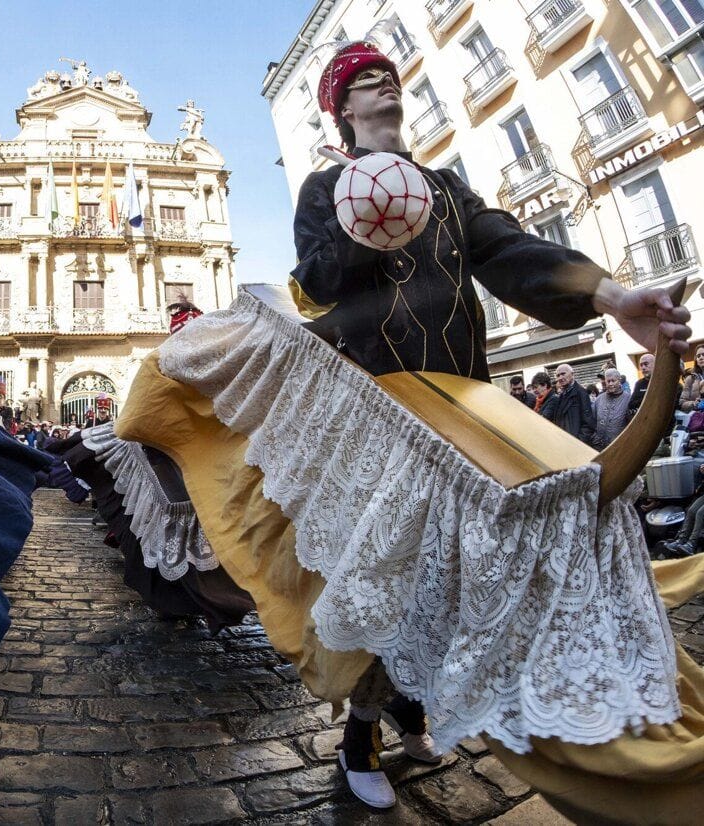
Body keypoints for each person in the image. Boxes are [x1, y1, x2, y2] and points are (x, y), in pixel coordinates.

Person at [122, 39, 692, 813]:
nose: (382, 83)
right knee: (388, 580)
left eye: (388, 75)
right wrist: (366, 218)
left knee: (451, 577)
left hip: (466, 410)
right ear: (344, 111)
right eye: (362, 80)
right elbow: (318, 284)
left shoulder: (448, 189)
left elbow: (515, 253)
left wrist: (610, 295)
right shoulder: (324, 189)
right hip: (379, 418)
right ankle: (362, 734)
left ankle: (421, 705)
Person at [540, 363, 597, 444]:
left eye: (563, 374)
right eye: (558, 375)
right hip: (564, 443)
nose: (560, 378)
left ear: (572, 374)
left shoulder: (581, 393)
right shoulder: (562, 395)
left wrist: (578, 442)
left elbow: (588, 424)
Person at [593, 368, 632, 449]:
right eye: (608, 381)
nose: (610, 384)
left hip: (619, 447)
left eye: (613, 381)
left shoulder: (628, 399)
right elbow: (593, 421)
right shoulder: (599, 399)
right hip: (599, 447)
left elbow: (632, 425)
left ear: (619, 380)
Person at [681, 343, 704, 413]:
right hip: (699, 419)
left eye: (703, 354)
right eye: (698, 356)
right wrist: (694, 404)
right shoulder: (690, 379)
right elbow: (682, 403)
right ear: (696, 359)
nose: (701, 357)